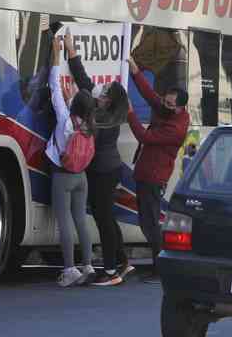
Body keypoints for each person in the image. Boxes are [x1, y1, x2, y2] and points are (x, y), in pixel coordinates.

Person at [64, 30, 134, 286]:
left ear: (109, 101)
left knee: (103, 218)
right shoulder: (111, 113)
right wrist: (72, 51)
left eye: (103, 94)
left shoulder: (103, 119)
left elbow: (85, 124)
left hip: (103, 172)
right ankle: (122, 260)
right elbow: (84, 81)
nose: (99, 95)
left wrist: (66, 100)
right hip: (109, 169)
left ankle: (111, 271)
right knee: (107, 215)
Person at [126, 57, 190, 283]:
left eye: (171, 104)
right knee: (147, 221)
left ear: (181, 108)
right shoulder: (168, 110)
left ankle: (160, 267)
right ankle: (159, 264)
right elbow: (150, 95)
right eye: (166, 101)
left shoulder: (176, 127)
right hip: (146, 174)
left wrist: (130, 114)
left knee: (150, 224)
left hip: (153, 178)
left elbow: (145, 136)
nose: (165, 104)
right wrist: (134, 70)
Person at [45, 35, 95, 287]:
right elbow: (77, 106)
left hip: (62, 175)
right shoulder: (89, 124)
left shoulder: (65, 118)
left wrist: (56, 54)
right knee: (80, 219)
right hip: (81, 177)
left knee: (64, 220)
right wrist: (71, 98)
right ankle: (87, 264)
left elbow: (53, 84)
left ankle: (69, 269)